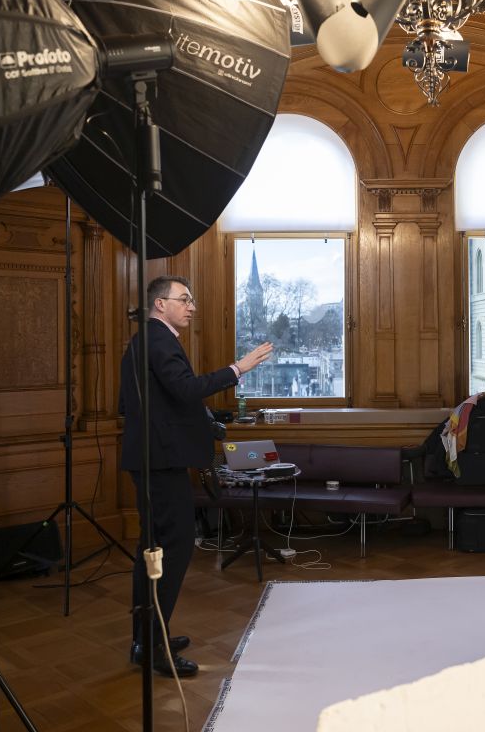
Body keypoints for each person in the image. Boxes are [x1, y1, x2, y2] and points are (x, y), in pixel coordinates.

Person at [119, 275, 272, 676]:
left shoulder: (148, 339)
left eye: (192, 299)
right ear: (159, 305)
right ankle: (153, 647)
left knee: (153, 549)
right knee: (173, 549)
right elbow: (187, 390)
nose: (191, 306)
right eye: (183, 299)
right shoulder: (158, 339)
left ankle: (147, 637)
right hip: (161, 462)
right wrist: (239, 368)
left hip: (153, 459)